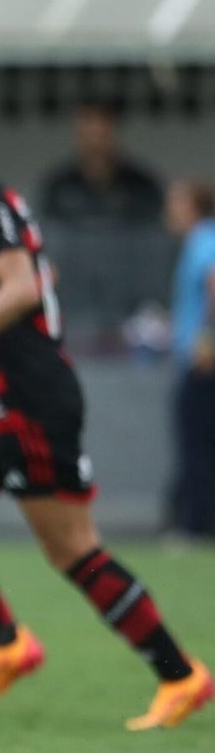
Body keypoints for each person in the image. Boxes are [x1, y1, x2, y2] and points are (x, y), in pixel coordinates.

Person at [0, 84, 211, 730]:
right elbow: (39, 276)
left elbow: (23, 288)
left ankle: (182, 675)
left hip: (29, 401)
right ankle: (7, 643)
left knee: (73, 551)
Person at [165, 178, 215, 538]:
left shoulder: (204, 240)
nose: (170, 211)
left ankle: (197, 523)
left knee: (197, 442)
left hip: (203, 363)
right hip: (194, 359)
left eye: (177, 203)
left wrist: (207, 341)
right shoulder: (198, 242)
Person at [38, 102, 163, 231]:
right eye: (89, 135)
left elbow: (155, 232)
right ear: (78, 135)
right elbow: (47, 232)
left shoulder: (142, 186)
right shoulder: (58, 187)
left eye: (101, 136)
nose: (95, 144)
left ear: (113, 134)